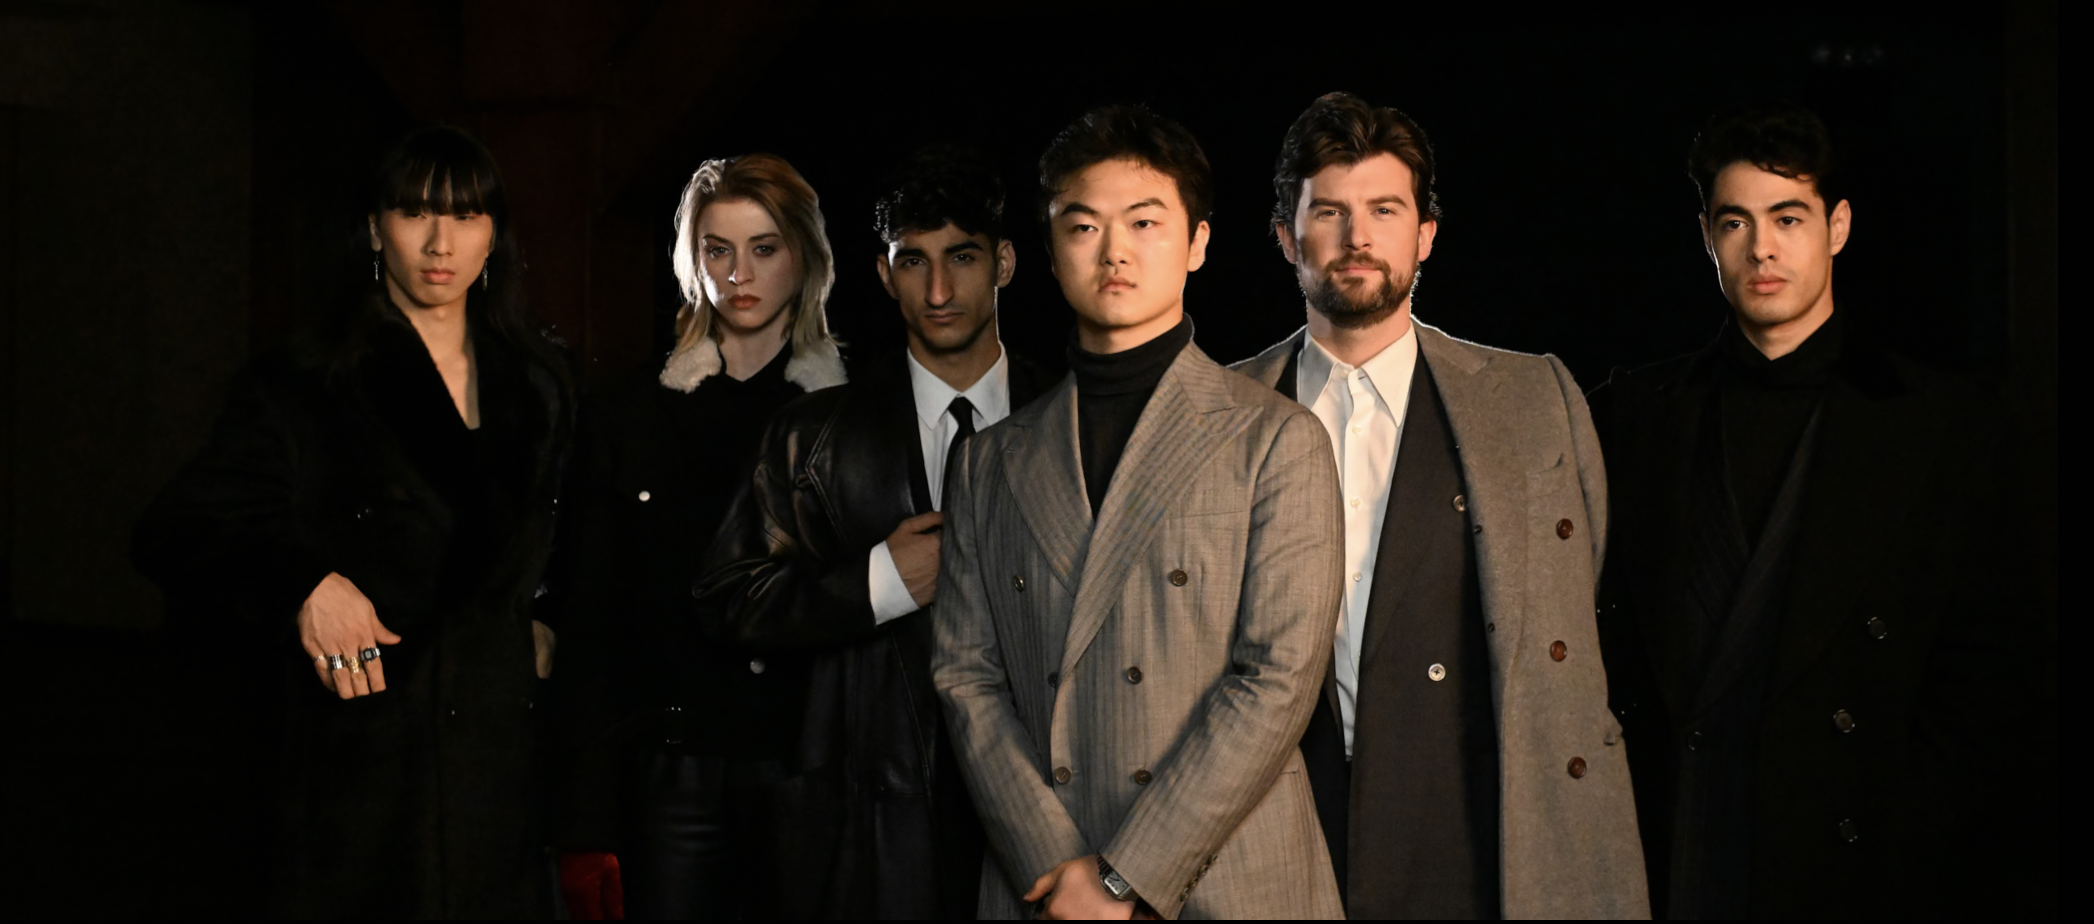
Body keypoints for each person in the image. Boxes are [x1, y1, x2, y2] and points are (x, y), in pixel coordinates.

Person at [1590, 103, 2039, 918]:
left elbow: (1993, 669)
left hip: (1853, 859)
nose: (1762, 248)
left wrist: (1907, 835)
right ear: (1706, 236)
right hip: (1673, 846)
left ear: (1837, 227)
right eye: (1737, 221)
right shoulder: (1631, 416)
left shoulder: (1944, 424)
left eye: (1788, 218)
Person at [132, 125, 573, 917]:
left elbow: (571, 541)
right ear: (375, 229)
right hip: (360, 771)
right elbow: (178, 528)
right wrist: (304, 585)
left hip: (498, 770)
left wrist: (543, 624)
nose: (440, 242)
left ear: (494, 235)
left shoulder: (541, 384)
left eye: (466, 216)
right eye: (414, 213)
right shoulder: (303, 382)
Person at [1230, 91, 1648, 919]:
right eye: (1330, 212)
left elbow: (1581, 596)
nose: (1358, 237)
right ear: (1286, 235)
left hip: (1477, 841)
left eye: (1385, 210)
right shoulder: (1217, 410)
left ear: (1425, 234)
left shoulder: (1536, 400)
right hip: (1266, 842)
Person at [933, 105, 1346, 920]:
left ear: (1196, 242)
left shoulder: (1276, 438)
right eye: (1082, 226)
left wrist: (1123, 875)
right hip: (1046, 882)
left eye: (1146, 222)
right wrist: (1059, 868)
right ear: (1050, 251)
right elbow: (965, 676)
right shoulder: (990, 459)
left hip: (1231, 874)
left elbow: (1277, 679)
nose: (1115, 251)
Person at [690, 145, 1051, 918]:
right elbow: (726, 601)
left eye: (963, 257)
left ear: (1006, 263)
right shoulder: (812, 435)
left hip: (1048, 813)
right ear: (884, 276)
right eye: (913, 262)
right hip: (872, 821)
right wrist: (881, 582)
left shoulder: (1072, 416)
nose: (941, 289)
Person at [544, 153, 847, 919]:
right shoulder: (627, 416)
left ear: (805, 257)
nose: (739, 273)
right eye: (719, 249)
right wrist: (582, 815)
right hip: (668, 768)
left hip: (805, 768)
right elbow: (590, 620)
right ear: (691, 261)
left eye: (764, 248)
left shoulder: (855, 416)